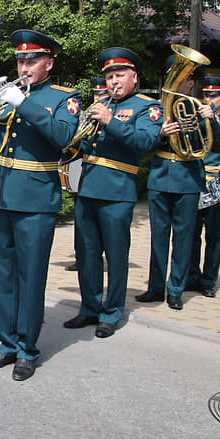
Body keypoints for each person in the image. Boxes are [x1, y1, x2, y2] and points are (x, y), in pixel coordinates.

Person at [0, 29, 80, 380]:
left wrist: (22, 102)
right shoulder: (8, 94)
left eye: (32, 60)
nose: (24, 66)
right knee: (1, 276)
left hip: (35, 199)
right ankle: (6, 343)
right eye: (20, 60)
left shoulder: (65, 97)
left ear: (49, 62)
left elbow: (62, 137)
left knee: (29, 277)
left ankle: (27, 349)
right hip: (0, 195)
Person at [62, 48, 162, 338]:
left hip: (118, 190)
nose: (113, 81)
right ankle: (89, 308)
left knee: (116, 256)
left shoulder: (147, 107)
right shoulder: (100, 104)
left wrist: (111, 121)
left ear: (134, 77)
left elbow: (145, 141)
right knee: (87, 253)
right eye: (109, 76)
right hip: (88, 187)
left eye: (119, 75)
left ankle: (111, 312)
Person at [136, 56, 220, 310]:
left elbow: (215, 146)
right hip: (161, 176)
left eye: (182, 78)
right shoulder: (156, 109)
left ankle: (175, 289)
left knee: (183, 238)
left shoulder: (199, 109)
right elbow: (144, 144)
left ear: (191, 83)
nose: (176, 83)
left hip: (188, 177)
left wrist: (212, 121)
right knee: (158, 237)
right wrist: (160, 132)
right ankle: (154, 287)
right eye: (172, 75)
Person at [187, 76, 220, 298]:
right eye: (206, 95)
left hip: (219, 182)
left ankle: (208, 280)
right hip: (196, 180)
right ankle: (191, 276)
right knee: (192, 233)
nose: (208, 99)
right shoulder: (197, 122)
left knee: (213, 236)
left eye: (213, 95)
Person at [65, 77, 109, 272]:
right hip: (79, 165)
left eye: (102, 93)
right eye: (96, 93)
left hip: (102, 169)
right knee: (80, 215)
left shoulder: (112, 115)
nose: (98, 97)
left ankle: (100, 255)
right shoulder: (86, 114)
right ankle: (80, 256)